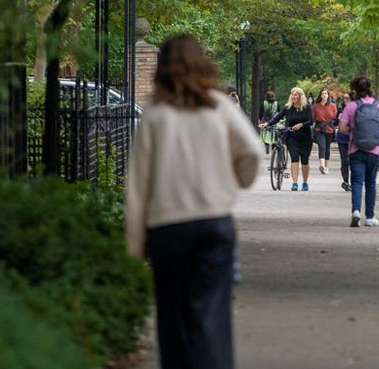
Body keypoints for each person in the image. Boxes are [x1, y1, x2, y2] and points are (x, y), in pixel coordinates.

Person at [126, 35, 262, 369]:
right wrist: (235, 181)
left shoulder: (155, 116)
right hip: (214, 222)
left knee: (172, 318)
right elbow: (253, 152)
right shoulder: (219, 106)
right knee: (211, 316)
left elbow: (137, 185)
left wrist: (134, 245)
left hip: (167, 227)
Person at [339, 77, 379, 227]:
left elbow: (342, 129)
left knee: (356, 182)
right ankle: (370, 217)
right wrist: (375, 130)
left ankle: (356, 211)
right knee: (370, 183)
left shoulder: (351, 106)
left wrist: (353, 129)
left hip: (356, 149)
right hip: (374, 150)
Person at [259, 87, 313, 191]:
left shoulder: (307, 107)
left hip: (305, 137)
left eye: (296, 94)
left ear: (300, 96)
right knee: (294, 158)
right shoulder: (287, 107)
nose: (293, 96)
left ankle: (305, 182)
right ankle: (295, 183)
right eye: (292, 94)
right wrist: (267, 124)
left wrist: (301, 124)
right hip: (291, 137)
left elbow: (311, 121)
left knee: (305, 161)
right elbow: (277, 117)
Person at [312, 89, 337, 175]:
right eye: (322, 93)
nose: (324, 95)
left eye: (326, 93)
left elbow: (334, 117)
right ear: (320, 95)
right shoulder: (315, 106)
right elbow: (313, 118)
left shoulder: (333, 106)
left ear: (328, 95)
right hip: (319, 129)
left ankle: (326, 167)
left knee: (327, 148)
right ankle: (322, 165)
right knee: (322, 146)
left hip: (329, 128)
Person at [335, 92, 354, 191]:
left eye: (348, 98)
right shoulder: (340, 110)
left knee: (353, 160)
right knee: (344, 160)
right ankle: (346, 181)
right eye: (345, 98)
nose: (346, 100)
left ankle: (354, 181)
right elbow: (335, 121)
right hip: (342, 138)